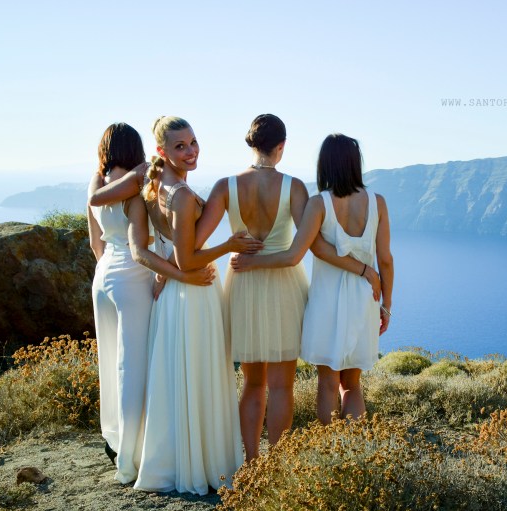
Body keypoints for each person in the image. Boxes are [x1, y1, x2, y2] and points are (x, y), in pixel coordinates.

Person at [194, 115, 379, 460]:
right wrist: (363, 268)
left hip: (243, 283)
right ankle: (277, 462)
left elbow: (194, 244)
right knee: (281, 386)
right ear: (281, 147)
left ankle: (250, 463)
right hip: (284, 288)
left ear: (249, 143)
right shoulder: (294, 188)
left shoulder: (224, 186)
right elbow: (311, 246)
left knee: (251, 384)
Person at [119, 116, 257, 495]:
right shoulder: (178, 193)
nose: (191, 151)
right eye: (180, 146)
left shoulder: (155, 186)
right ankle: (204, 464)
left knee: (183, 376)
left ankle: (181, 460)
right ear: (163, 151)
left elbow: (160, 252)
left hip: (178, 296)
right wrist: (229, 246)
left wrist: (169, 273)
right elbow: (187, 260)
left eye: (193, 142)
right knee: (200, 374)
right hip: (194, 294)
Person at [231, 133, 394, 425]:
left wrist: (251, 262)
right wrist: (387, 304)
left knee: (328, 384)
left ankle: (327, 455)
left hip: (327, 300)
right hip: (365, 297)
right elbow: (386, 260)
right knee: (353, 385)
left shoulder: (319, 203)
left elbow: (300, 252)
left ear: (324, 164)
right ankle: (356, 454)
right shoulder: (377, 202)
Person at [87, 123, 215, 484]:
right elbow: (138, 248)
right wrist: (180, 275)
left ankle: (114, 439)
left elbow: (95, 240)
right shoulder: (137, 184)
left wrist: (105, 271)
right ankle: (130, 458)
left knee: (111, 363)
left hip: (103, 277)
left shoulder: (97, 182)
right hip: (133, 279)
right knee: (135, 369)